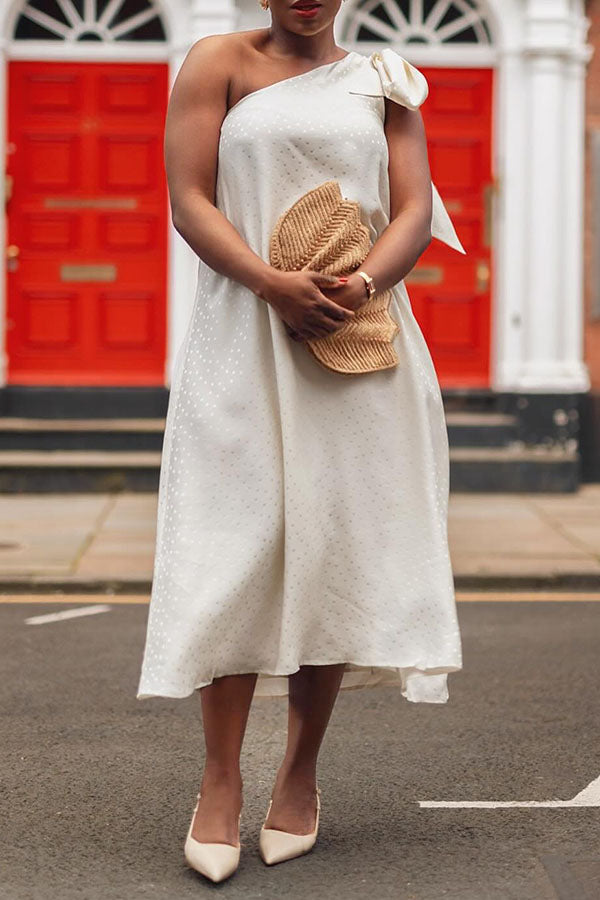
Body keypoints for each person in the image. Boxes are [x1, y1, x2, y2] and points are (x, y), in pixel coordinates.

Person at [137, 0, 465, 883]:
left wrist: (358, 283)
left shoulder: (384, 81)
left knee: (332, 548)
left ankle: (300, 773)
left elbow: (413, 207)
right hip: (242, 337)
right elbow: (189, 199)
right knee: (232, 547)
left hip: (356, 348)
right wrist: (271, 283)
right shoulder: (217, 62)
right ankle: (217, 782)